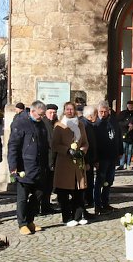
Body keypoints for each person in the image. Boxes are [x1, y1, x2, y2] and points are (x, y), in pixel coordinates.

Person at [7, 100, 49, 235]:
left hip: (39, 166)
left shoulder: (41, 124)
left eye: (43, 115)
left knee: (39, 194)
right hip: (24, 167)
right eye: (40, 115)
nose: (42, 117)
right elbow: (13, 146)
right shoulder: (20, 123)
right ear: (32, 111)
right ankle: (22, 223)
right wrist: (13, 167)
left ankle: (30, 220)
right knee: (23, 197)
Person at [52, 101, 90, 227]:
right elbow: (55, 145)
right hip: (64, 163)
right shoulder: (59, 125)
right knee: (64, 192)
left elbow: (85, 142)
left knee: (79, 191)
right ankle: (67, 217)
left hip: (78, 163)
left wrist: (82, 151)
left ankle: (78, 216)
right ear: (64, 111)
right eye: (67, 109)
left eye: (72, 109)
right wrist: (67, 150)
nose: (70, 111)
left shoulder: (80, 125)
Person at [94, 101, 123, 215]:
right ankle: (97, 205)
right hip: (102, 158)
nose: (103, 114)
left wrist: (120, 151)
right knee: (100, 182)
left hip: (113, 156)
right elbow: (94, 143)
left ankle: (105, 202)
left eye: (105, 111)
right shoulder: (96, 124)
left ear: (108, 111)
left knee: (109, 181)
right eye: (101, 111)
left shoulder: (114, 122)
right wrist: (95, 159)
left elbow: (119, 137)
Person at [39, 103, 59, 215]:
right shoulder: (43, 124)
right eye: (50, 112)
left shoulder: (55, 124)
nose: (52, 114)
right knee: (43, 186)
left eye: (54, 113)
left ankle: (46, 205)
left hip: (53, 159)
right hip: (46, 160)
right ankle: (42, 206)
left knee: (49, 186)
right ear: (46, 113)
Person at [80, 105, 99, 212]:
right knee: (86, 182)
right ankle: (85, 202)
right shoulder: (83, 125)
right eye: (96, 114)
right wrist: (86, 161)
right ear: (91, 116)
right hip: (86, 161)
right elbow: (84, 145)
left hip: (91, 160)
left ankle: (89, 200)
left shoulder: (89, 124)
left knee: (90, 181)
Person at [116, 100, 133, 170]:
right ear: (127, 105)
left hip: (132, 135)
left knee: (130, 150)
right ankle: (121, 164)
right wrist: (127, 124)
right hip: (124, 134)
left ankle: (128, 164)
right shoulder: (122, 113)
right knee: (123, 150)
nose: (131, 106)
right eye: (129, 105)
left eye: (132, 105)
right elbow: (119, 122)